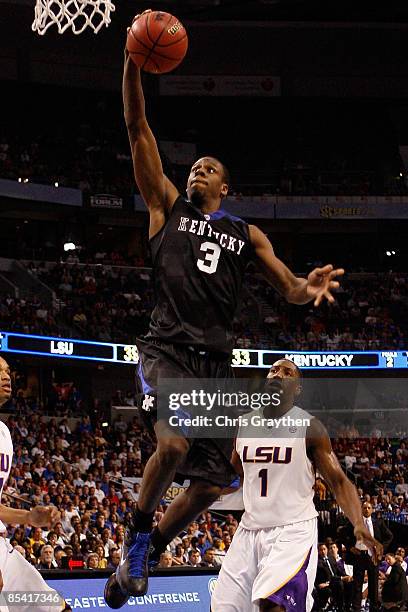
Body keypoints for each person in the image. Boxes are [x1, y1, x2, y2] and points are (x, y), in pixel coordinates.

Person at [105, 11, 345, 608]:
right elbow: (137, 128)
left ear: (224, 188)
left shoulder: (246, 234)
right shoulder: (165, 207)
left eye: (208, 168)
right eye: (194, 165)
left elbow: (287, 290)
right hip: (167, 351)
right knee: (176, 447)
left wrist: (307, 287)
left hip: (215, 364)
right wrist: (134, 63)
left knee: (213, 481)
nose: (197, 170)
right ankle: (137, 536)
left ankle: (150, 549)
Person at [211, 359, 382, 612]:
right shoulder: (244, 424)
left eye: (287, 372)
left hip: (292, 531)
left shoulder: (309, 427)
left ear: (297, 388)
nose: (278, 374)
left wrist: (357, 522)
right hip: (249, 529)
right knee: (222, 608)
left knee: (274, 605)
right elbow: (232, 473)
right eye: (273, 370)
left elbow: (338, 481)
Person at [0, 356, 67, 611]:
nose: (7, 376)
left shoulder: (4, 433)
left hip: (3, 548)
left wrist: (29, 517)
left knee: (53, 606)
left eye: (8, 371)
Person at [346, 501, 393, 612]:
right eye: (364, 508)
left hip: (373, 557)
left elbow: (390, 536)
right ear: (361, 509)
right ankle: (356, 608)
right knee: (357, 584)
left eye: (369, 508)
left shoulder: (378, 523)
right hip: (359, 556)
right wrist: (350, 547)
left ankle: (374, 608)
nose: (366, 509)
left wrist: (381, 549)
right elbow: (342, 534)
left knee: (373, 585)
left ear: (372, 510)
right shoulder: (355, 522)